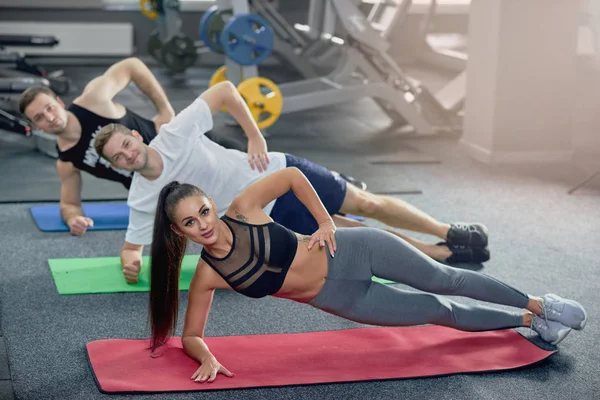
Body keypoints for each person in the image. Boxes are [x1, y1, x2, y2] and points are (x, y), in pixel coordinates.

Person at [147, 169, 587, 383]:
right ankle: (532, 324)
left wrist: (325, 222)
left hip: (352, 250)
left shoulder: (243, 208)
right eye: (190, 223)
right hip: (344, 301)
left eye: (203, 210)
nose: (203, 224)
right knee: (439, 311)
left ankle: (539, 303)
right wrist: (203, 355)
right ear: (178, 231)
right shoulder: (208, 275)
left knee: (443, 280)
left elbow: (293, 177)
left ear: (210, 202)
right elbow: (191, 334)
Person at [94, 81, 491, 284]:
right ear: (117, 166)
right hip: (268, 213)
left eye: (126, 144)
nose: (128, 154)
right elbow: (131, 247)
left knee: (364, 203)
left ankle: (449, 230)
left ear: (137, 137)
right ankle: (437, 253)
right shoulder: (143, 196)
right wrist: (130, 264)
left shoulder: (174, 134)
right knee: (355, 232)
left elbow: (225, 90)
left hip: (280, 168)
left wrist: (253, 134)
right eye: (118, 157)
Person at [18, 57, 245, 236]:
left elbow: (132, 66)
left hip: (195, 153)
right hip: (168, 191)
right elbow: (69, 203)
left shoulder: (93, 100)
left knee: (256, 172)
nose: (49, 117)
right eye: (39, 117)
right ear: (35, 126)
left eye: (49, 108)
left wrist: (164, 110)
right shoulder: (67, 161)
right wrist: (73, 219)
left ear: (59, 102)